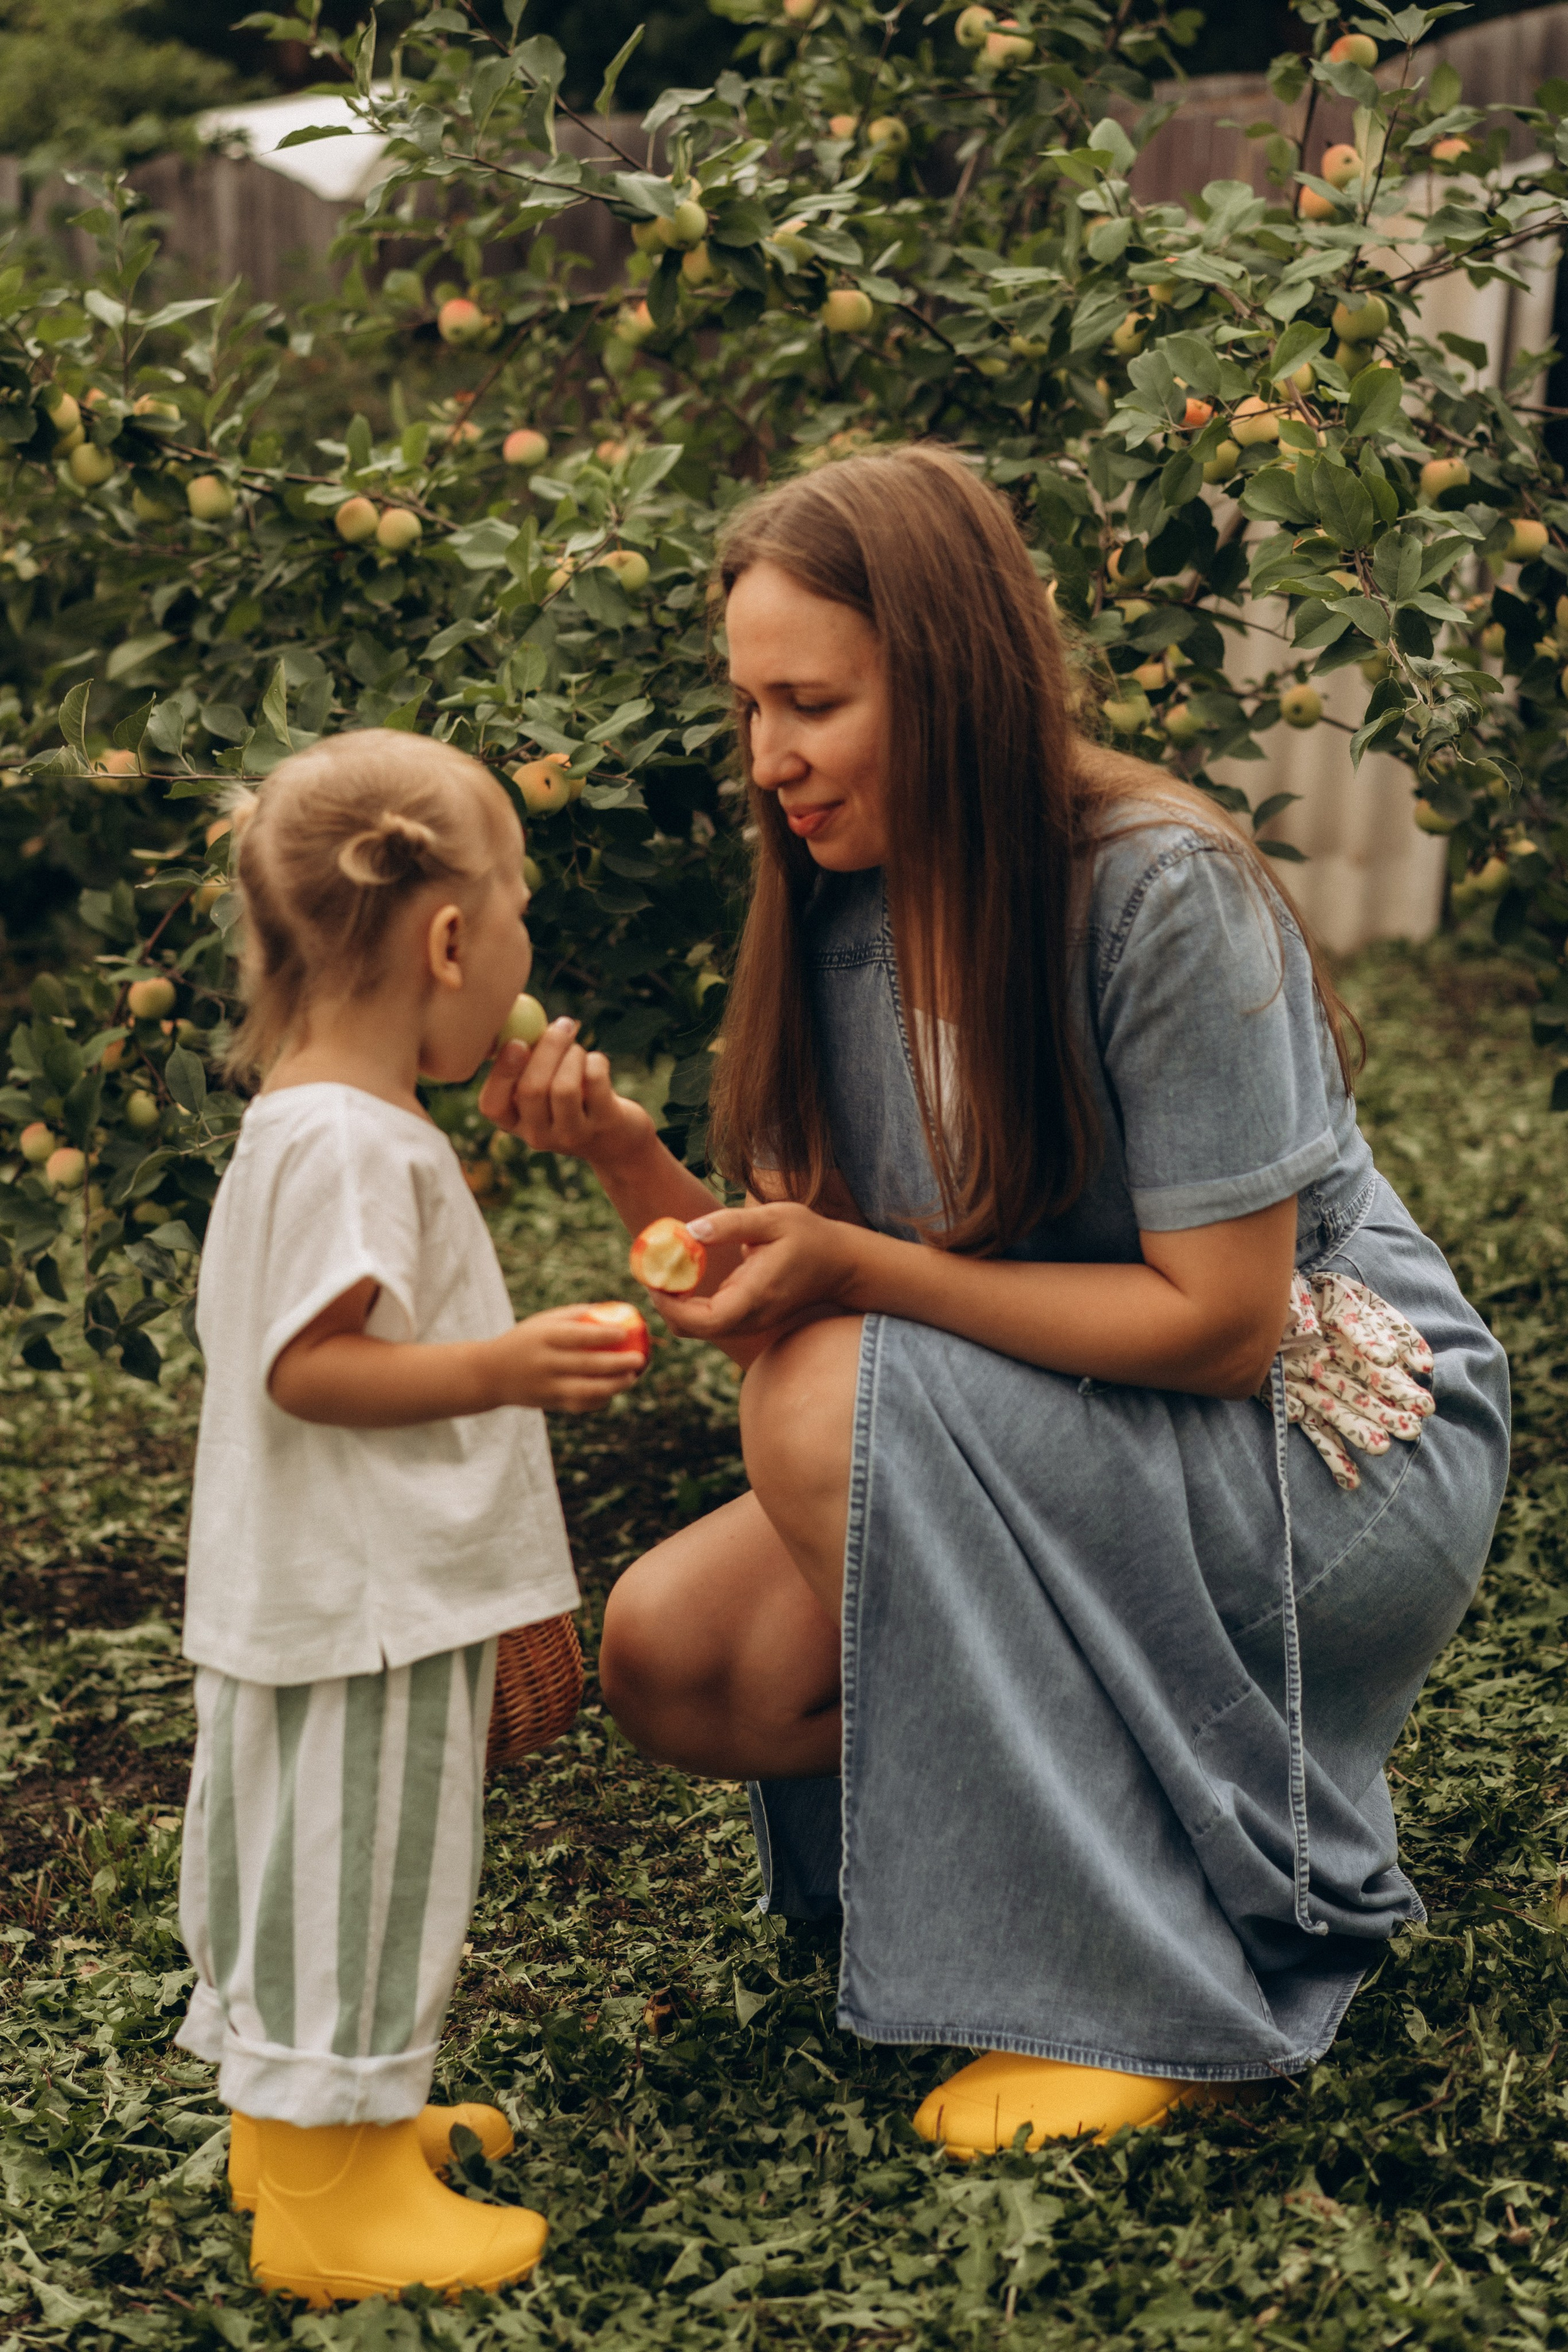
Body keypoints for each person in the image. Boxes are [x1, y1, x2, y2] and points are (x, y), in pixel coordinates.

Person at [480, 445, 1510, 2153]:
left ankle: (1134, 1987)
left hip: (1326, 1443)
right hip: (1074, 1421)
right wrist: (623, 1158)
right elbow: (786, 1299)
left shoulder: (1153, 887)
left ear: (948, 676)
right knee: (680, 1654)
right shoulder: (836, 899)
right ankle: (1024, 1874)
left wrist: (864, 1275)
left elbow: (1221, 1323)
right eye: (750, 706)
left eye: (810, 702)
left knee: (824, 1404)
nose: (771, 758)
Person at [175, 731, 646, 2302]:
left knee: (311, 1872)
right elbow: (311, 1368)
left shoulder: (318, 1124)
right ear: (452, 944)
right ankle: (331, 2205)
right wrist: (507, 1363)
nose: (521, 953)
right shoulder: (354, 1141)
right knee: (362, 1887)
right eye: (517, 917)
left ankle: (311, 2144)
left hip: (334, 1594)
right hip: (364, 1611)